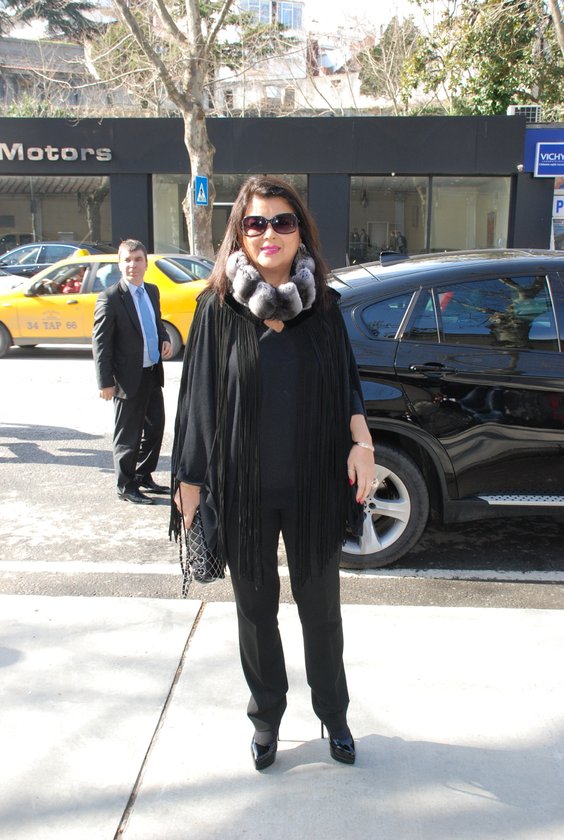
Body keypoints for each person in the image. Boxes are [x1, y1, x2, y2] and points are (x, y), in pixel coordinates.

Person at [171, 176, 375, 770]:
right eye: (255, 223)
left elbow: (347, 384)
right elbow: (198, 400)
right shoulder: (218, 308)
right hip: (242, 489)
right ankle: (266, 719)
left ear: (300, 231)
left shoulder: (323, 307)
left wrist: (362, 442)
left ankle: (334, 715)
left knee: (321, 612)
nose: (269, 233)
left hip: (313, 485)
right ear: (239, 233)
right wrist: (189, 480)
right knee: (256, 613)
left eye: (282, 221)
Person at [93, 239, 173, 504]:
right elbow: (101, 344)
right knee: (127, 435)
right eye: (127, 260)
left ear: (146, 264)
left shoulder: (151, 291)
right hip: (126, 379)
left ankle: (142, 475)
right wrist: (105, 382)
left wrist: (164, 339)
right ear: (119, 264)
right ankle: (125, 486)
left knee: (155, 429)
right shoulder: (110, 298)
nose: (132, 265)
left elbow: (156, 322)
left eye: (138, 259)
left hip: (151, 373)